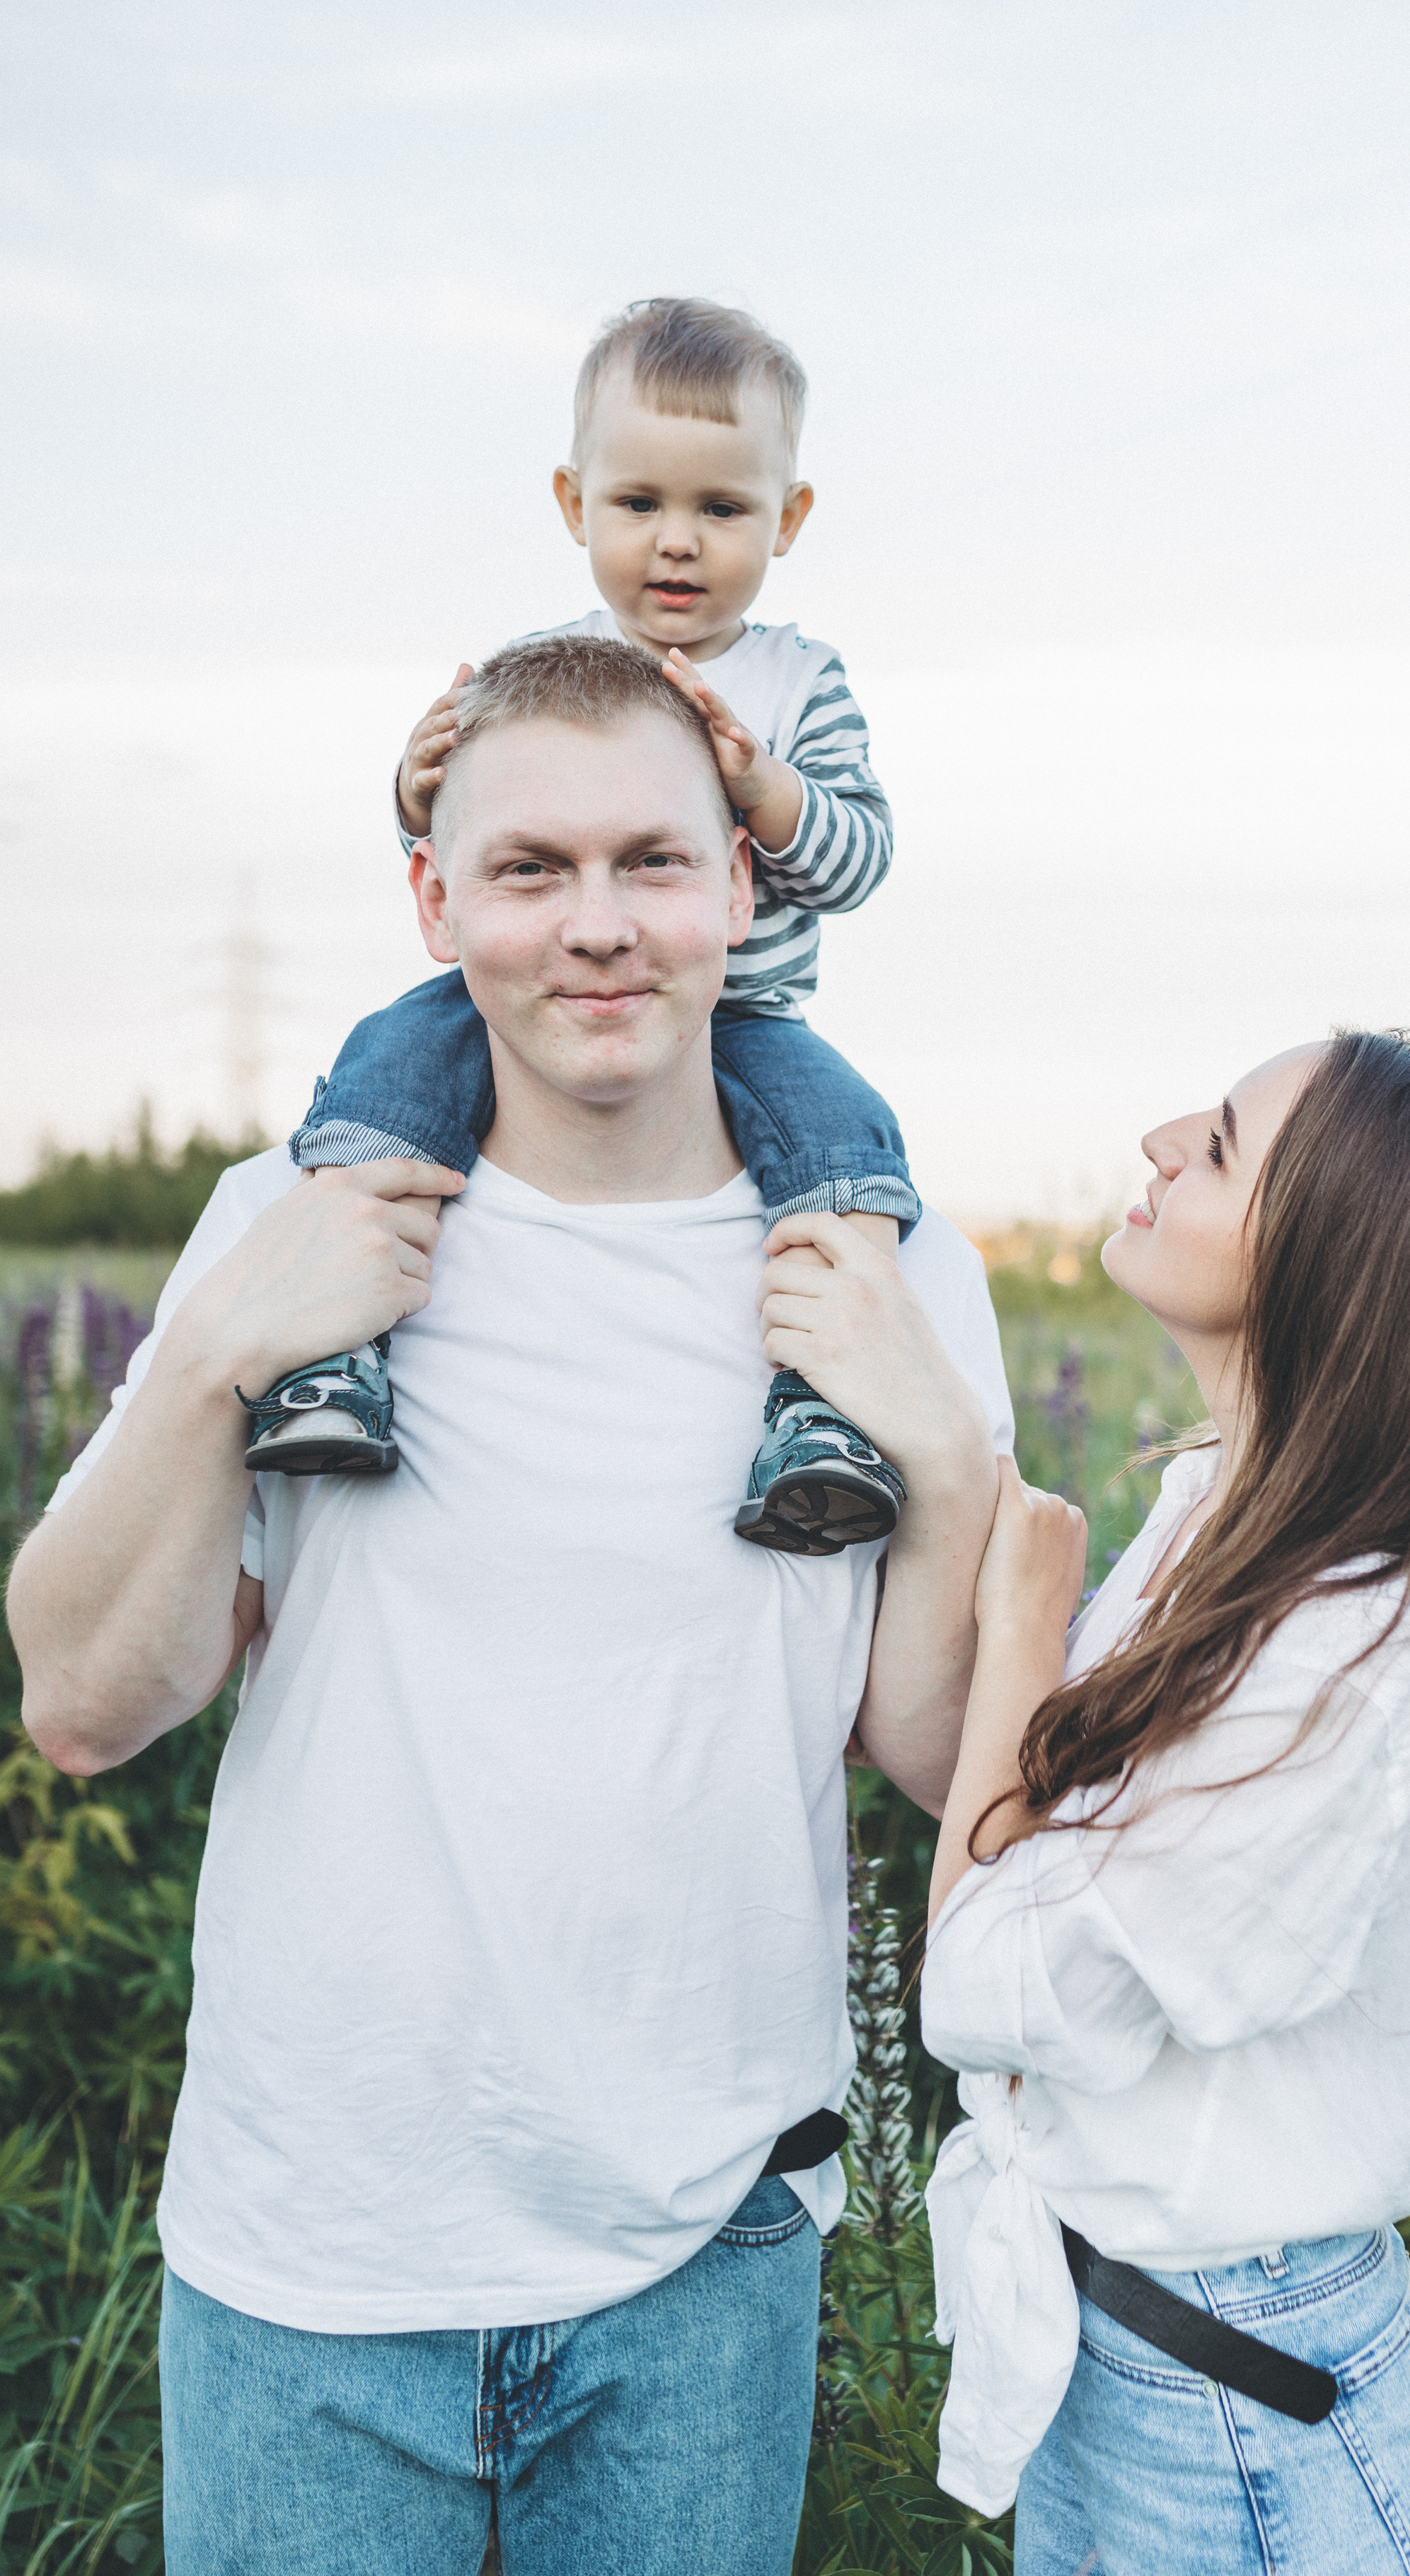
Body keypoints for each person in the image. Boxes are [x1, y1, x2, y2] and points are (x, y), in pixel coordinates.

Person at [6, 634, 1011, 2576]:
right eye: (532, 870)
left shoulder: (876, 1263)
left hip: (705, 2257)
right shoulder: (283, 1223)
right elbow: (81, 1701)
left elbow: (924, 1753)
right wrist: (226, 1343)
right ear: (434, 898)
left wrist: (953, 1466)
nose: (600, 929)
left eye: (651, 862)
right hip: (321, 2251)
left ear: (739, 882)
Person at [918, 1032, 1410, 2573]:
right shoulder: (1219, 1514)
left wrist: (1023, 1629)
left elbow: (991, 1985)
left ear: (1335, 1267)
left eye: (1224, 1145)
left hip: (1239, 2419)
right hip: (1157, 2362)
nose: (1163, 1134)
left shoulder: (1354, 1647)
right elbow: (1022, 1838)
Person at [255, 294, 913, 1558]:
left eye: (722, 511)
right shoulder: (537, 668)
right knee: (388, 1079)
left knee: (847, 1152)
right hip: (537, 1006)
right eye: (638, 504)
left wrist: (763, 787)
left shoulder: (797, 682)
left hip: (744, 1013)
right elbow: (455, 845)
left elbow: (862, 857)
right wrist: (410, 789)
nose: (679, 543)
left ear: (788, 519)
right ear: (573, 505)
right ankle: (332, 1359)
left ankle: (824, 1417)